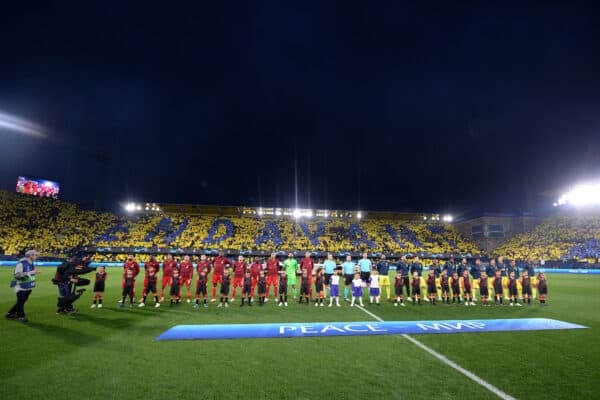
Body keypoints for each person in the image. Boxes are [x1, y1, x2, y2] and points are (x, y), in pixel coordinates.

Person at [7, 250, 40, 322]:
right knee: (21, 301)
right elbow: (17, 275)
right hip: (20, 285)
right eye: (35, 255)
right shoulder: (21, 263)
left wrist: (33, 273)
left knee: (22, 301)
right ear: (30, 255)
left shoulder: (31, 263)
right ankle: (21, 316)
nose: (37, 256)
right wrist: (31, 272)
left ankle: (10, 313)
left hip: (27, 285)